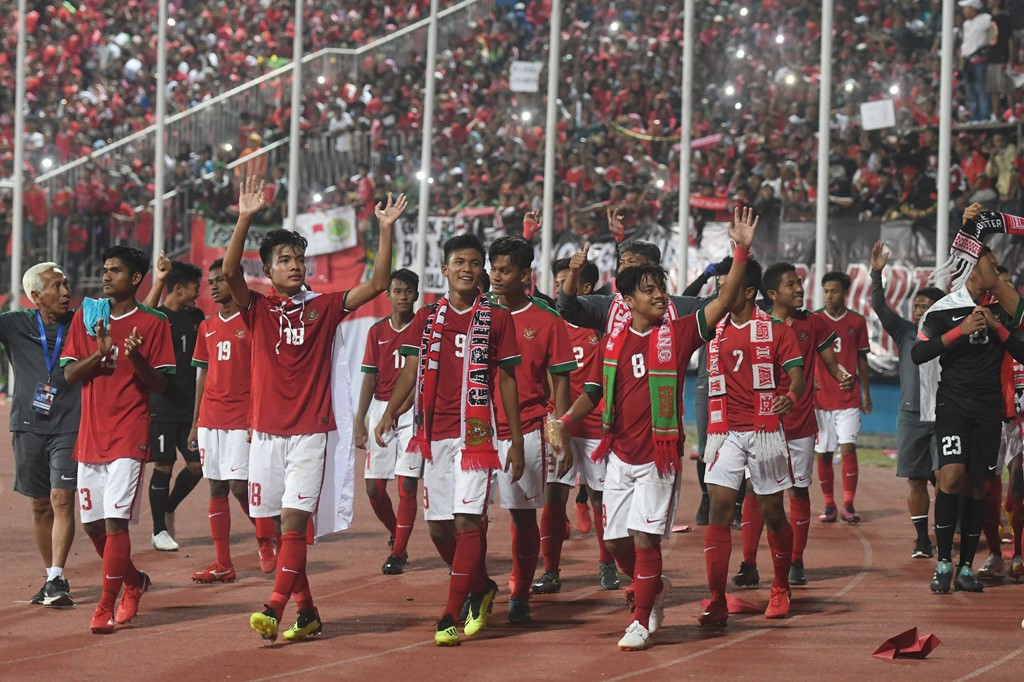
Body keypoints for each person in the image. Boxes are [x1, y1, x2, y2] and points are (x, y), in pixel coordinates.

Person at [549, 206, 758, 650]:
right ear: (628, 300)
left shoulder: (679, 332)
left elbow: (722, 302)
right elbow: (592, 391)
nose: (661, 295)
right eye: (650, 290)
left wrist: (740, 252)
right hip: (618, 454)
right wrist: (565, 423)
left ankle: (642, 619)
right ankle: (653, 586)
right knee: (617, 542)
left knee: (644, 537)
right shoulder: (612, 338)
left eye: (661, 287)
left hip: (658, 456)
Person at [223, 176, 404, 642]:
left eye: (300, 258)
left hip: (309, 433)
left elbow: (379, 283)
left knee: (293, 525)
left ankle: (275, 606)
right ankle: (308, 610)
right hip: (264, 434)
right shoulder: (256, 308)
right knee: (269, 526)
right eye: (286, 259)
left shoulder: (324, 306)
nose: (296, 265)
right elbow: (227, 276)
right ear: (267, 268)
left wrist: (384, 229)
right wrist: (244, 218)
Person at [375, 233, 524, 647]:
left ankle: (450, 613)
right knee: (439, 530)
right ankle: (479, 587)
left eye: (475, 263)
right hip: (433, 433)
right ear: (444, 269)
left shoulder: (497, 317)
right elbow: (410, 370)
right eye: (459, 261)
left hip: (476, 435)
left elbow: (509, 379)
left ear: (484, 272)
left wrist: (513, 438)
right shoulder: (427, 316)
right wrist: (391, 410)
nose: (467, 269)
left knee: (465, 522)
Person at [61, 245, 176, 633]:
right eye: (105, 269)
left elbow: (161, 384)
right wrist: (101, 353)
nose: (106, 276)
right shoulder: (87, 315)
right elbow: (70, 374)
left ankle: (105, 606)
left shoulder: (155, 321)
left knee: (115, 524)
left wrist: (137, 358)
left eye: (115, 270)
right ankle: (134, 581)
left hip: (129, 434)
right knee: (92, 526)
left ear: (137, 278)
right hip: (91, 436)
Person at [699, 251, 806, 627]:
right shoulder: (714, 328)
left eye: (726, 286)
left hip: (765, 432)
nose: (719, 292)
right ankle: (716, 598)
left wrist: (789, 398)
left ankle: (780, 586)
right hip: (725, 430)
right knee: (718, 510)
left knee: (774, 513)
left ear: (746, 292)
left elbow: (797, 378)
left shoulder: (778, 330)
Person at [912, 240, 1024, 593]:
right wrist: (960, 331)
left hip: (988, 408)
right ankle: (943, 562)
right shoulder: (944, 309)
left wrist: (997, 327)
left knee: (980, 485)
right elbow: (919, 352)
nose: (997, 270)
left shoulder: (1002, 311)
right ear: (975, 269)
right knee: (951, 476)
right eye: (991, 263)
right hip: (953, 405)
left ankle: (965, 568)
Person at [733, 262, 854, 588]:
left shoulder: (812, 323)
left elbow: (832, 363)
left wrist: (842, 376)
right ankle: (748, 563)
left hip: (800, 424)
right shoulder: (756, 324)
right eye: (791, 285)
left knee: (798, 489)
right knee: (756, 491)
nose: (799, 289)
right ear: (772, 293)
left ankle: (796, 560)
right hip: (760, 423)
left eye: (800, 283)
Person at [486, 236, 577, 623]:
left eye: (504, 270)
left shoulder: (547, 321)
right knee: (464, 517)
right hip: (476, 430)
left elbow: (560, 382)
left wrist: (560, 432)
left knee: (521, 516)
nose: (494, 276)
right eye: (493, 268)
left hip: (524, 428)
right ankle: (476, 583)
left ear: (525, 275)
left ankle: (519, 592)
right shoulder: (479, 314)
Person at [188, 258, 277, 583]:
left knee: (241, 487)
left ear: (235, 281)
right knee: (216, 486)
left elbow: (262, 371)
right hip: (211, 418)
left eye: (219, 279)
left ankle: (265, 537)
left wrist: (258, 413)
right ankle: (223, 563)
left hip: (242, 416)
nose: (213, 285)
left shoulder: (252, 321)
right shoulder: (206, 326)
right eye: (210, 281)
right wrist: (196, 420)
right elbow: (203, 374)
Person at [0, 262, 79, 606]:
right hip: (28, 424)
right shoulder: (14, 324)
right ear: (35, 296)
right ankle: (51, 576)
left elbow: (127, 313)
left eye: (66, 284)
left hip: (70, 423)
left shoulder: (81, 322)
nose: (65, 292)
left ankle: (58, 575)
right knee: (40, 505)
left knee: (62, 498)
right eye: (56, 286)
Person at [541, 256, 621, 591]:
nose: (560, 289)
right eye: (557, 283)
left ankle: (607, 563)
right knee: (554, 497)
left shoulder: (597, 325)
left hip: (591, 426)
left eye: (566, 282)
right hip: (559, 422)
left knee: (600, 499)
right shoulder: (548, 324)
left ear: (585, 288)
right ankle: (551, 570)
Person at [869, 242, 946, 558]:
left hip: (944, 415)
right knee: (916, 480)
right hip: (911, 415)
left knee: (946, 479)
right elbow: (879, 306)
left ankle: (943, 535)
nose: (918, 310)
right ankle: (922, 540)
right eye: (915, 305)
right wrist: (876, 273)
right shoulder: (904, 332)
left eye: (925, 305)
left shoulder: (951, 334)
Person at [354, 269, 421, 575]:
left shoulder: (423, 329)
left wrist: (395, 412)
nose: (403, 296)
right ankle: (397, 531)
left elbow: (418, 379)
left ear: (416, 295)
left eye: (408, 291)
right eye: (397, 291)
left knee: (407, 484)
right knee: (373, 489)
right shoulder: (376, 332)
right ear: (389, 295)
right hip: (382, 411)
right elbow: (369, 377)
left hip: (412, 411)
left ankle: (398, 552)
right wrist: (360, 419)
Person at [143, 255, 206, 551]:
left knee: (198, 465)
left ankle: (167, 508)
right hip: (163, 405)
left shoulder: (196, 318)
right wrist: (159, 278)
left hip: (189, 406)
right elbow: (140, 316)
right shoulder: (157, 317)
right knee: (164, 464)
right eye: (195, 288)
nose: (198, 293)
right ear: (178, 288)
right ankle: (158, 530)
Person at [813, 271, 872, 523]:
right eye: (825, 290)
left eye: (834, 291)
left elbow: (862, 358)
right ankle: (829, 505)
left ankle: (848, 504)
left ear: (845, 293)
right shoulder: (814, 319)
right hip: (820, 398)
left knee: (848, 448)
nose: (828, 295)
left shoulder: (857, 322)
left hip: (848, 397)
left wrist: (866, 393)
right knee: (824, 453)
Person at [959, 0, 993, 123]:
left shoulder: (985, 19)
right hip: (967, 60)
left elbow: (993, 32)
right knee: (970, 90)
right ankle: (975, 116)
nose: (964, 11)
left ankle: (985, 115)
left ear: (974, 8)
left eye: (966, 8)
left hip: (980, 59)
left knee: (981, 89)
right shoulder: (966, 24)